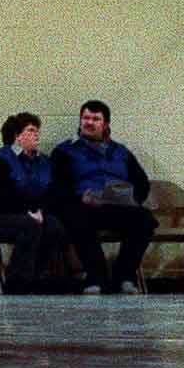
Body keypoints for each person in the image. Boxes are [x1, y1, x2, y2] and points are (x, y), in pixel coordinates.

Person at [50, 99, 156, 294]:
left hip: (117, 203)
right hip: (84, 204)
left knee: (145, 220)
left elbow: (142, 183)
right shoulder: (64, 151)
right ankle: (96, 277)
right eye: (85, 118)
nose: (89, 123)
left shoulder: (121, 152)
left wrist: (131, 198)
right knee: (77, 218)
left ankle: (124, 276)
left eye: (95, 119)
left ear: (106, 124)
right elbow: (57, 187)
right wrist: (79, 199)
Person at [0, 112, 68, 293]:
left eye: (37, 131)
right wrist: (29, 211)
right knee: (30, 225)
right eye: (31, 130)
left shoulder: (44, 162)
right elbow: (3, 197)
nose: (37, 135)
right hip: (0, 214)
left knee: (55, 226)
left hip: (35, 212)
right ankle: (16, 282)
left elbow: (53, 191)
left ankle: (35, 275)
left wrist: (41, 210)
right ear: (17, 137)